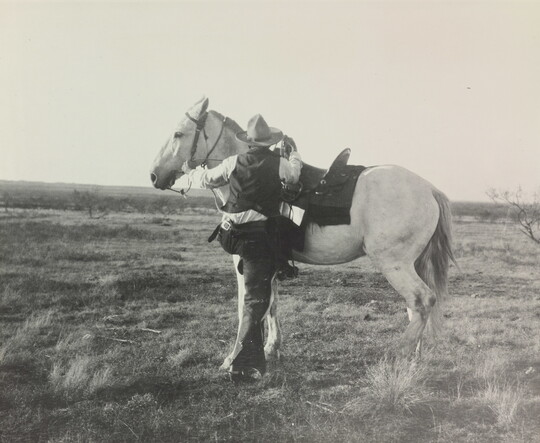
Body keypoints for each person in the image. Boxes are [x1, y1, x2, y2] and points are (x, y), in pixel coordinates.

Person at [176, 114, 302, 381]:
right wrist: (294, 154)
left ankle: (247, 357)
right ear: (269, 144)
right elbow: (293, 177)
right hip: (260, 240)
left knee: (252, 297)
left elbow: (207, 179)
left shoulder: (233, 162)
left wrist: (190, 172)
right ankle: (242, 362)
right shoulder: (279, 163)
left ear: (248, 143)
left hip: (235, 237)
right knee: (256, 300)